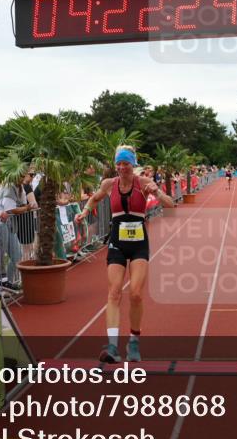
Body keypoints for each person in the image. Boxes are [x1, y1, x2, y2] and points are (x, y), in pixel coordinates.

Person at [74, 145, 174, 363]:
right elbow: (94, 199)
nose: (121, 167)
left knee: (136, 293)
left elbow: (170, 204)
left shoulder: (144, 183)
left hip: (139, 242)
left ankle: (134, 342)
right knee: (114, 292)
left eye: (125, 163)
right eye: (118, 163)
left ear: (133, 164)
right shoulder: (109, 184)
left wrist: (156, 191)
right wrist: (84, 211)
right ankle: (112, 347)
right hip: (117, 241)